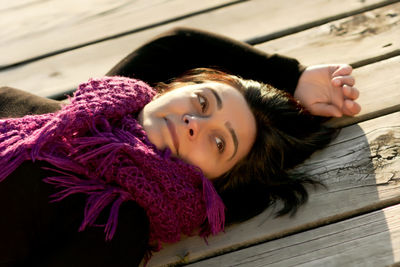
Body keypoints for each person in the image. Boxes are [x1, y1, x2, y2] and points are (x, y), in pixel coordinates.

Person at [0, 27, 360, 267]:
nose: (194, 125)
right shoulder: (67, 115)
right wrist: (291, 75)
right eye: (202, 103)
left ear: (215, 181)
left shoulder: (114, 222)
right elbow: (179, 43)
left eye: (219, 142)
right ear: (169, 89)